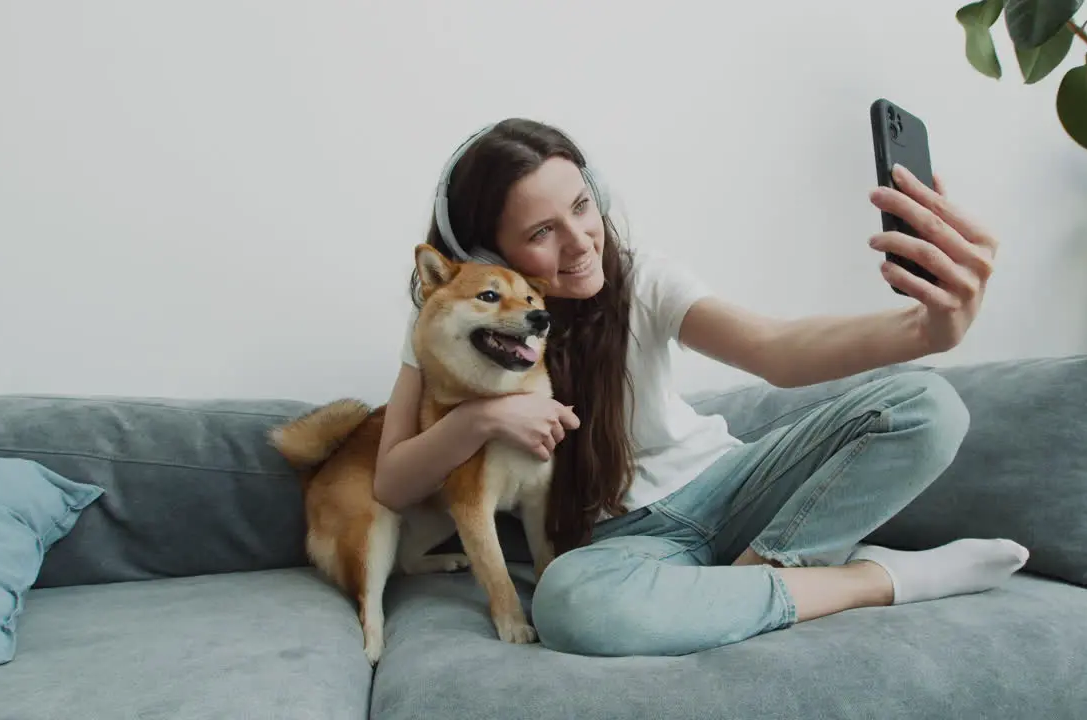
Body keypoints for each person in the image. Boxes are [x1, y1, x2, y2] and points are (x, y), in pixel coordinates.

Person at [374, 117, 1028, 657]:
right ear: (486, 256)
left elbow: (774, 349)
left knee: (927, 405)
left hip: (731, 485)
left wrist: (927, 332)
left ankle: (743, 586)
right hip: (627, 542)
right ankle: (873, 579)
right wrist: (480, 422)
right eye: (542, 232)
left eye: (581, 207)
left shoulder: (646, 280)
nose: (581, 243)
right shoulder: (450, 327)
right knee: (571, 605)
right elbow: (393, 484)